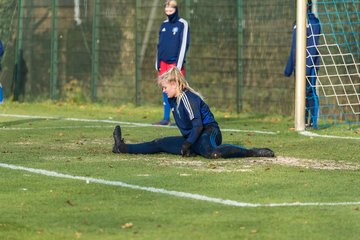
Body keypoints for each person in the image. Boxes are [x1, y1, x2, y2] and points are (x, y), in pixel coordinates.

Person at [112, 67, 275, 159]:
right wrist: (188, 143)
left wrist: (188, 143)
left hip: (209, 131)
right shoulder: (172, 99)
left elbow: (198, 125)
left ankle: (252, 151)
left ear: (175, 84)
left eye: (165, 87)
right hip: (193, 136)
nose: (163, 90)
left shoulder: (187, 98)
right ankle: (122, 147)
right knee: (159, 143)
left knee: (214, 153)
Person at [284, 0, 321, 128]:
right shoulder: (296, 23)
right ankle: (303, 121)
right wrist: (289, 67)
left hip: (310, 66)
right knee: (301, 94)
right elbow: (294, 48)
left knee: (310, 91)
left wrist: (307, 67)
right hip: (298, 67)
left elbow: (313, 47)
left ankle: (313, 122)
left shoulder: (314, 22)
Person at [154, 0, 190, 125]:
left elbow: (184, 44)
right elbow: (159, 45)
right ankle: (166, 118)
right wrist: (157, 62)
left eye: (171, 10)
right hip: (163, 63)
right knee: (165, 89)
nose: (168, 13)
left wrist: (178, 66)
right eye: (167, 10)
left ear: (176, 10)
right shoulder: (163, 25)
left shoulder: (182, 24)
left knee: (178, 89)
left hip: (175, 64)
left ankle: (182, 119)